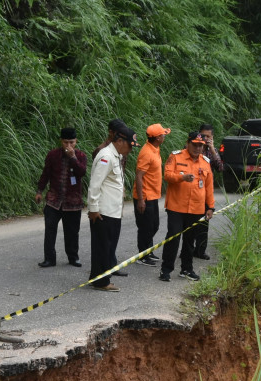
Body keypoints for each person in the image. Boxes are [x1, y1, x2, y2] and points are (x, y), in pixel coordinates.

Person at [87, 124, 137, 291]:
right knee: (103, 247)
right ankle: (101, 282)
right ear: (120, 141)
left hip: (113, 211)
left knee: (107, 247)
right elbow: (94, 184)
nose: (131, 149)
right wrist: (93, 208)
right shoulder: (106, 156)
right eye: (130, 145)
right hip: (103, 212)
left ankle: (98, 277)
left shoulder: (115, 156)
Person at [159, 130, 215, 282]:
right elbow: (167, 175)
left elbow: (209, 187)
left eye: (201, 146)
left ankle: (186, 269)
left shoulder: (205, 162)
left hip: (196, 208)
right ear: (188, 143)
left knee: (190, 240)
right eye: (195, 145)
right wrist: (181, 177)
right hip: (176, 207)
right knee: (173, 238)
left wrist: (210, 207)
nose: (198, 148)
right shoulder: (175, 156)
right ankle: (166, 269)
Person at [35, 127, 88, 267]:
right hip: (54, 200)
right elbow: (45, 174)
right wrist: (39, 190)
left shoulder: (81, 156)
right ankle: (49, 258)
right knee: (50, 230)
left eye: (71, 142)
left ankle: (73, 257)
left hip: (73, 202)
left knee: (72, 232)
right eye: (65, 142)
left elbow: (81, 172)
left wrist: (73, 158)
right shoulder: (53, 155)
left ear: (76, 141)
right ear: (61, 141)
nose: (68, 146)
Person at [133, 123, 171, 265]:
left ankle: (148, 250)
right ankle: (143, 255)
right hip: (145, 196)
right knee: (146, 227)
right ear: (158, 138)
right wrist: (141, 199)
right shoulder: (146, 152)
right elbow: (139, 176)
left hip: (153, 195)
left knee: (154, 226)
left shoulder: (155, 148)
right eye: (163, 134)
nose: (165, 136)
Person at [192, 123, 223, 260]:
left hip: (206, 191)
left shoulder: (212, 150)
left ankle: (200, 250)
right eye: (203, 135)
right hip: (193, 190)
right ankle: (187, 249)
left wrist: (212, 149)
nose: (205, 138)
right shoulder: (192, 147)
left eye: (208, 136)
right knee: (190, 223)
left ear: (212, 137)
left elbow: (220, 167)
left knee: (204, 223)